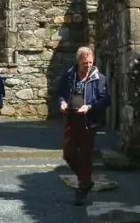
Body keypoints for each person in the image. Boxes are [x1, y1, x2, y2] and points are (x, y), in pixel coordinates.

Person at [57, 46, 109, 206]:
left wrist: (89, 107)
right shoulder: (68, 75)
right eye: (84, 62)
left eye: (90, 62)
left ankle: (82, 188)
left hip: (88, 122)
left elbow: (106, 99)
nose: (87, 65)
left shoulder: (99, 78)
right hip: (71, 118)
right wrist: (62, 102)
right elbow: (59, 92)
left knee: (86, 155)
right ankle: (85, 180)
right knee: (68, 153)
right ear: (78, 61)